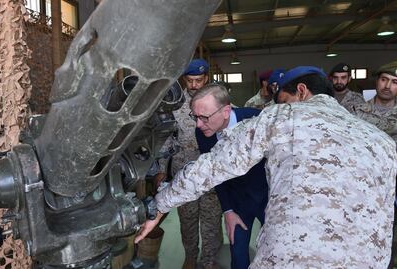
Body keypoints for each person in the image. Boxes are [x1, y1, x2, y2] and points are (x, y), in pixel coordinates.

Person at [136, 66, 397, 269]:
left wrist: (160, 204)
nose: (279, 107)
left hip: (293, 256)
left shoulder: (281, 116)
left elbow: (214, 165)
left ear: (302, 92)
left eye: (282, 100)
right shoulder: (382, 141)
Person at [190, 83, 268, 269]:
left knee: (278, 249)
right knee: (238, 252)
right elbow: (215, 174)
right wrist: (228, 210)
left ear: (226, 111)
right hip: (237, 202)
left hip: (269, 199)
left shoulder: (256, 119)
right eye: (195, 117)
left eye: (204, 117)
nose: (198, 124)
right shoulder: (203, 132)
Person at [157, 58, 223, 269]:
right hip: (182, 171)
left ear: (207, 78)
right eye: (190, 80)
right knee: (187, 220)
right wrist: (161, 169)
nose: (194, 85)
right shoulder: (174, 105)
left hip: (211, 173)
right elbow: (167, 138)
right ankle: (190, 257)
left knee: (211, 221)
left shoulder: (218, 100)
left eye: (199, 80)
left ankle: (209, 260)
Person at [353, 61, 397, 269]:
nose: (388, 86)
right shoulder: (356, 112)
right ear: (377, 81)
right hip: (367, 187)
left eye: (394, 82)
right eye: (384, 79)